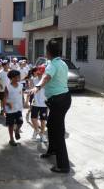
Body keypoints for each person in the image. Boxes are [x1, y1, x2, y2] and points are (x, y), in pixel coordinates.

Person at [30, 39, 71, 174]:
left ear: (48, 52)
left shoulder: (52, 65)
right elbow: (47, 71)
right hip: (64, 99)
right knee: (52, 126)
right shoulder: (61, 62)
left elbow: (46, 77)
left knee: (58, 132)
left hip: (58, 101)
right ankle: (52, 150)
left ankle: (63, 166)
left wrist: (37, 87)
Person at [3, 70, 24, 146]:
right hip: (10, 110)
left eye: (19, 76)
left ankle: (17, 130)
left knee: (20, 122)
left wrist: (23, 102)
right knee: (11, 124)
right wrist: (6, 106)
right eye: (17, 77)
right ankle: (11, 139)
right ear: (11, 78)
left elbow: (21, 95)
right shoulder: (8, 87)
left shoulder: (21, 85)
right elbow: (5, 98)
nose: (18, 78)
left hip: (18, 108)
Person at [31, 65, 48, 143]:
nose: (39, 74)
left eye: (40, 73)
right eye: (38, 72)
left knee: (43, 120)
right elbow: (31, 90)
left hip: (44, 104)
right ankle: (37, 130)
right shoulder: (33, 80)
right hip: (35, 103)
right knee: (33, 118)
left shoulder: (47, 80)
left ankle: (42, 134)